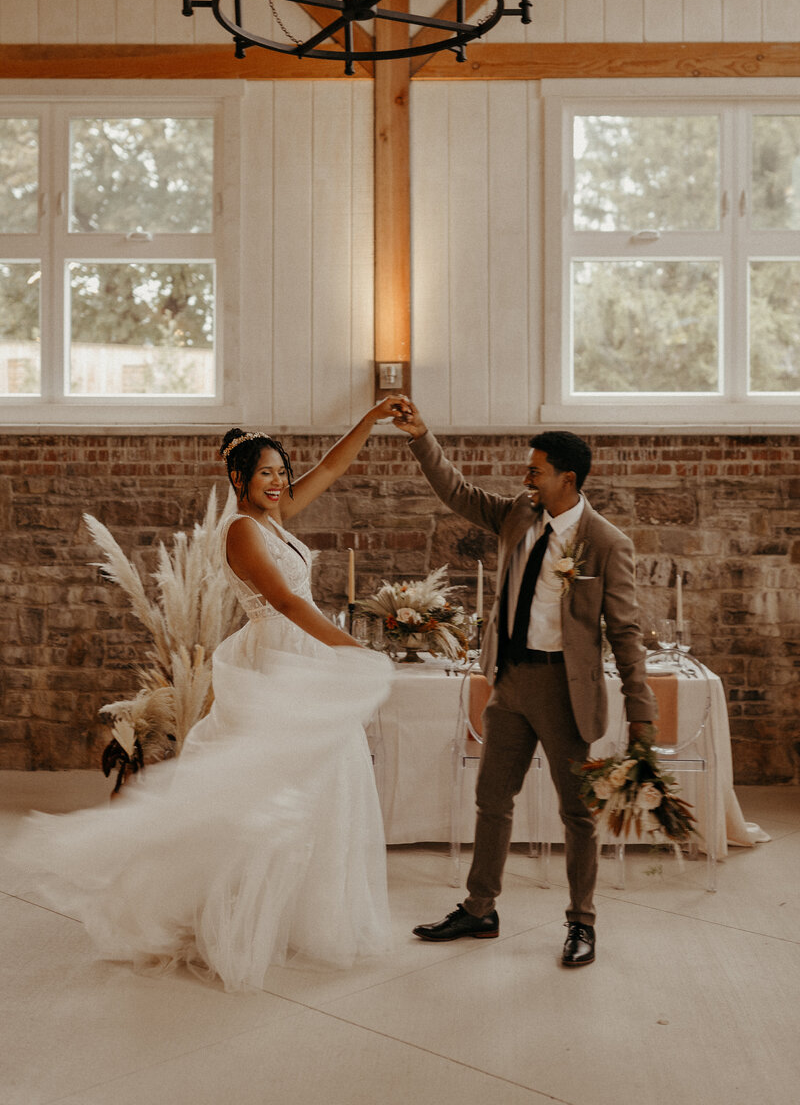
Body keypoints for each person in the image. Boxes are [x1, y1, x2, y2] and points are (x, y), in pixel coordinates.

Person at [9, 399, 403, 992]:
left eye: (280, 471)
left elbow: (328, 469)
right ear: (238, 479)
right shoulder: (242, 530)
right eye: (265, 473)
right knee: (267, 786)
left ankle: (297, 913)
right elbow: (289, 604)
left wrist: (370, 421)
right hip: (279, 651)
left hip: (296, 648)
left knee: (319, 778)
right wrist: (352, 648)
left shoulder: (274, 517)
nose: (278, 481)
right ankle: (230, 912)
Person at [391, 400, 655, 967]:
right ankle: (480, 907)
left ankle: (582, 922)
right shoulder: (517, 515)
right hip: (510, 683)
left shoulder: (606, 543)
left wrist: (643, 715)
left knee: (577, 813)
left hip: (565, 692)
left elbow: (627, 635)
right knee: (492, 799)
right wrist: (421, 437)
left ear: (569, 478)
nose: (525, 476)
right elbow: (459, 493)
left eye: (535, 470)